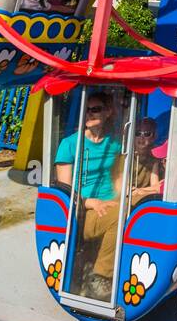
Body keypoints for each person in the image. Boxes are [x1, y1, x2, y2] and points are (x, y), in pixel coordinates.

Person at [54, 90, 125, 300]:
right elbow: (63, 193)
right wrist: (89, 202)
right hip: (83, 211)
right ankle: (99, 276)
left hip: (110, 202)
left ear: (108, 112)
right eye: (86, 110)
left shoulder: (115, 144)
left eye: (95, 109)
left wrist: (128, 195)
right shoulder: (69, 145)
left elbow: (118, 179)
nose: (89, 114)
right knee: (120, 216)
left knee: (138, 207)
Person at [127, 117, 164, 207]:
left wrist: (140, 191)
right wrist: (147, 190)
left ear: (154, 137)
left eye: (147, 134)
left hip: (143, 198)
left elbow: (157, 187)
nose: (141, 137)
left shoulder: (156, 156)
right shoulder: (126, 156)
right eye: (137, 133)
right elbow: (126, 189)